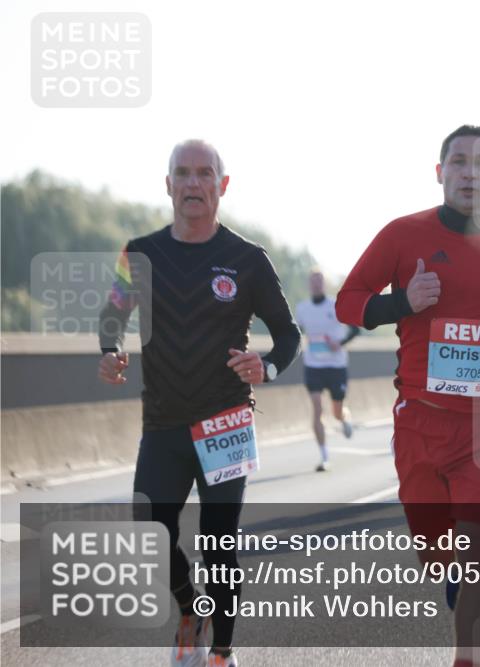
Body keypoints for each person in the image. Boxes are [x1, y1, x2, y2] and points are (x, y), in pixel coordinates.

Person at [335, 125, 480, 667]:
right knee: (440, 557)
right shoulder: (403, 236)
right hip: (423, 422)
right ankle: (451, 573)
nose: (469, 172)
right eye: (458, 162)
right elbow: (348, 302)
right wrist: (401, 303)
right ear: (440, 173)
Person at [98, 139, 301, 667]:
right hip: (163, 423)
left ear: (222, 185)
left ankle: (222, 653)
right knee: (150, 531)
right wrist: (109, 350)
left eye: (204, 174)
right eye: (182, 174)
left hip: (226, 423)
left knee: (219, 545)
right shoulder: (138, 253)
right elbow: (112, 315)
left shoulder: (248, 260)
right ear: (168, 185)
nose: (193, 183)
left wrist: (269, 366)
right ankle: (190, 609)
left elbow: (288, 334)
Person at [295, 269, 361, 471]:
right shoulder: (302, 309)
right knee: (317, 409)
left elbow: (356, 329)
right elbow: (297, 333)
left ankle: (344, 418)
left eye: (319, 281)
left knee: (336, 411)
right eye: (313, 281)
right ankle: (324, 457)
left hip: (336, 366)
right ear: (309, 285)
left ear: (324, 284)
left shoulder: (335, 305)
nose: (316, 284)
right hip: (313, 365)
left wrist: (339, 343)